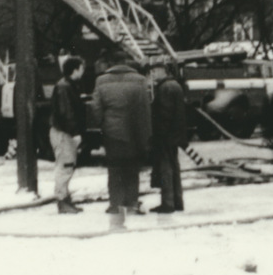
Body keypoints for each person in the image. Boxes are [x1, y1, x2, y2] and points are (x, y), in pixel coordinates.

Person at [90, 50, 152, 227]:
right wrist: (145, 135)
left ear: (111, 63)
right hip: (133, 132)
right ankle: (132, 203)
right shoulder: (139, 80)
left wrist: (103, 125)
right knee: (132, 169)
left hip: (112, 133)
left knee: (114, 170)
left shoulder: (101, 80)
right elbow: (144, 111)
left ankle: (115, 204)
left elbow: (95, 108)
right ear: (127, 62)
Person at [48, 56, 87, 214]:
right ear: (75, 69)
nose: (83, 71)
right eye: (81, 68)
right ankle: (62, 201)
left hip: (63, 131)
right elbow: (67, 112)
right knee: (65, 166)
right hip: (64, 133)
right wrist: (75, 132)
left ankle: (65, 199)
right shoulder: (65, 87)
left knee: (66, 165)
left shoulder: (66, 85)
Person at [149, 62, 189, 213]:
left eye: (154, 72)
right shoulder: (175, 85)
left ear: (162, 71)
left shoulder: (165, 88)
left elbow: (164, 114)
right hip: (175, 135)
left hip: (165, 136)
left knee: (166, 169)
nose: (152, 75)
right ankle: (177, 201)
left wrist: (158, 136)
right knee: (174, 167)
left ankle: (168, 203)